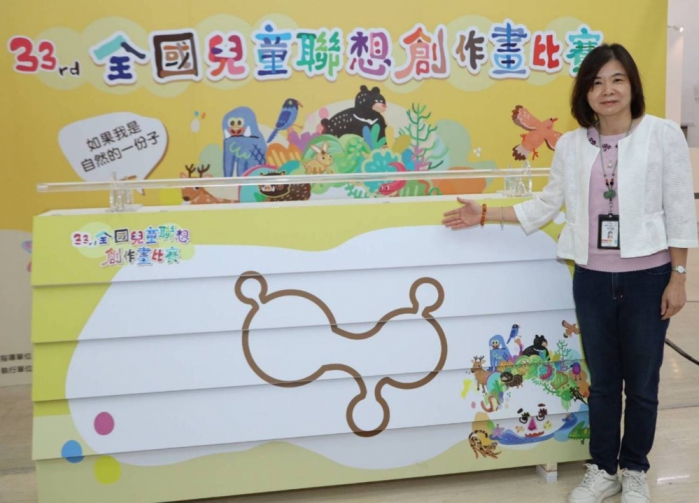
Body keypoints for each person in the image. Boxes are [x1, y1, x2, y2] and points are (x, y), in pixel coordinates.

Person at [442, 43, 697, 503]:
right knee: (603, 384)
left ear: (632, 85)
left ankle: (635, 469)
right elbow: (546, 204)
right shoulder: (572, 144)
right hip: (592, 279)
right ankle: (603, 470)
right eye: (597, 82)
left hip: (648, 279)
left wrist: (679, 277)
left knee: (642, 385)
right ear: (585, 93)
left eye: (617, 79)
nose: (607, 90)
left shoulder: (662, 135)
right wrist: (486, 214)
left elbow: (680, 211)